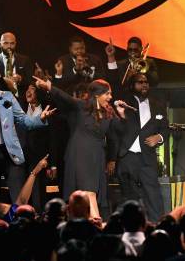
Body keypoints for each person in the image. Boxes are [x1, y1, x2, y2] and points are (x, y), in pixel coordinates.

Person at [34, 76, 127, 218]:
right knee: (89, 190)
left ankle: (90, 222)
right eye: (107, 93)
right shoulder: (82, 106)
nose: (110, 97)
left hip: (97, 155)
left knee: (92, 191)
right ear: (97, 94)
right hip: (80, 153)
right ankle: (97, 222)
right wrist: (49, 87)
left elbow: (119, 131)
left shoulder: (109, 112)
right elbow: (65, 98)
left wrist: (121, 115)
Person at [0, 69, 54, 205]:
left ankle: (18, 224)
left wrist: (40, 118)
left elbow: (24, 121)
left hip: (10, 153)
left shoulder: (6, 96)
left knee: (19, 199)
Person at [109, 72, 168, 222]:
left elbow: (165, 129)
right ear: (132, 86)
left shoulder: (158, 104)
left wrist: (159, 137)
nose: (144, 84)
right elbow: (114, 133)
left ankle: (157, 227)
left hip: (147, 157)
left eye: (146, 82)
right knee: (128, 197)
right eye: (139, 82)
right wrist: (112, 158)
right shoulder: (123, 103)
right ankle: (128, 229)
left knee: (153, 194)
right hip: (127, 156)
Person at [0, 32, 33, 100]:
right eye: (6, 43)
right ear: (0, 44)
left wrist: (20, 79)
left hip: (21, 101)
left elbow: (31, 81)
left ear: (15, 44)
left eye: (12, 43)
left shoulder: (25, 60)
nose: (9, 46)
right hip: (0, 101)